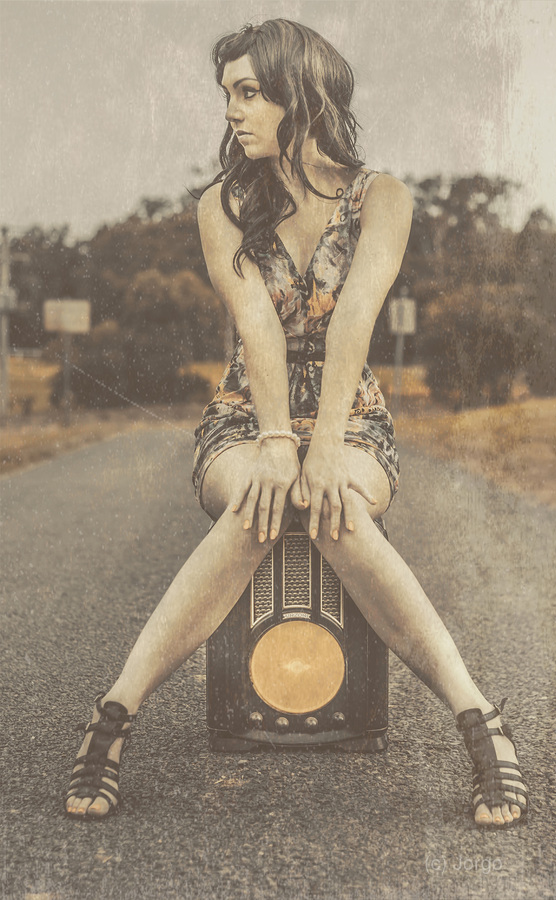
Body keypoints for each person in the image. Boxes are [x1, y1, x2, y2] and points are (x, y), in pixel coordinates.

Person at [65, 18, 528, 827]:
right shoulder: (222, 204)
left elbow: (353, 322)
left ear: (300, 94)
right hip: (246, 411)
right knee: (261, 497)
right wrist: (279, 441)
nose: (232, 111)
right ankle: (113, 717)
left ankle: (477, 720)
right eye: (227, 94)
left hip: (354, 415)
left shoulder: (382, 198)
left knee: (334, 503)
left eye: (249, 92)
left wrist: (325, 445)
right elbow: (258, 328)